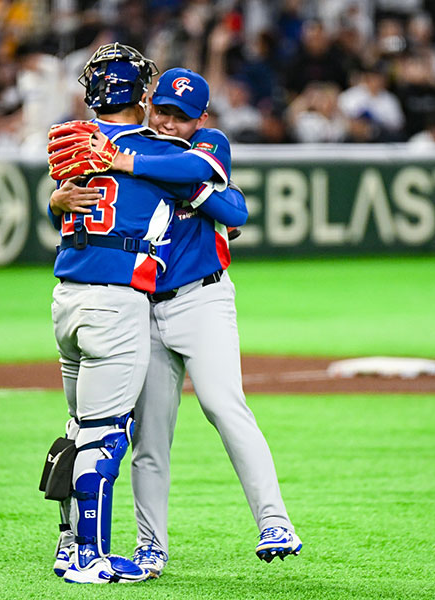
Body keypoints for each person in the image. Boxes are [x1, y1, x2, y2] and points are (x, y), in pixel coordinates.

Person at [105, 67, 302, 578]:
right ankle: (150, 547)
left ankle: (275, 521)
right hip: (142, 306)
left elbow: (235, 208)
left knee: (223, 404)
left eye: (181, 117)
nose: (170, 123)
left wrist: (135, 167)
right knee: (149, 435)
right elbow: (221, 203)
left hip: (203, 300)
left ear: (202, 119)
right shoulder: (127, 142)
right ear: (148, 103)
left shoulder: (205, 142)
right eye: (163, 110)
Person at [41, 42, 182, 585]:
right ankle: (89, 558)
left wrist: (55, 201)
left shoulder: (77, 145)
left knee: (78, 429)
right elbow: (207, 180)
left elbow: (65, 200)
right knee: (104, 435)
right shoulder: (157, 149)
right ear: (141, 93)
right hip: (115, 298)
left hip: (67, 297)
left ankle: (67, 543)